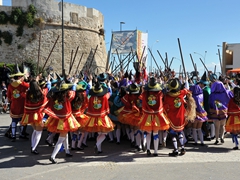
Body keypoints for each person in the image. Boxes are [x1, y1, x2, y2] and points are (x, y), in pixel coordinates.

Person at [44, 80, 80, 164]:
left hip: (57, 118)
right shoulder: (67, 97)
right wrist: (74, 83)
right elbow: (73, 92)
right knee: (61, 139)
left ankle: (67, 151)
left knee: (65, 135)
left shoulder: (54, 98)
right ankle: (53, 156)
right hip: (65, 119)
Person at [163, 77, 195, 156]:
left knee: (173, 134)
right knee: (180, 132)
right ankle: (183, 147)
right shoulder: (181, 93)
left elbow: (165, 106)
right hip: (180, 117)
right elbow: (187, 90)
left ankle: (176, 150)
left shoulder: (167, 96)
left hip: (172, 117)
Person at [138, 77, 170, 156]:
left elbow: (141, 100)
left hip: (147, 115)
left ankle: (148, 149)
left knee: (148, 133)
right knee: (156, 134)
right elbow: (165, 91)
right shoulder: (159, 93)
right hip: (157, 116)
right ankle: (155, 151)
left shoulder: (145, 94)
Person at [20, 75, 51, 154]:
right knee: (38, 132)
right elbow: (45, 100)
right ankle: (34, 148)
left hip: (30, 115)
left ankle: (32, 146)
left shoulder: (28, 94)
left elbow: (24, 97)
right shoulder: (40, 94)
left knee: (35, 131)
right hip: (38, 115)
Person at [84, 81, 115, 154]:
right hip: (102, 117)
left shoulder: (91, 98)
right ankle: (97, 145)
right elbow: (109, 94)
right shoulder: (104, 97)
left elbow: (90, 106)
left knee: (99, 133)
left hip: (94, 117)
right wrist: (109, 85)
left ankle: (99, 149)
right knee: (104, 133)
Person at [7, 64, 29, 142]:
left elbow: (9, 96)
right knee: (22, 120)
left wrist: (10, 101)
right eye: (22, 76)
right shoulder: (23, 84)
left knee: (14, 121)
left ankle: (13, 136)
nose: (23, 77)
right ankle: (21, 134)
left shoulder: (10, 85)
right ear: (19, 77)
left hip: (14, 105)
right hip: (22, 105)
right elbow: (30, 86)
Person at [209, 80, 233, 145]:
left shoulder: (212, 95)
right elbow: (231, 97)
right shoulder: (226, 93)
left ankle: (216, 139)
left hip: (215, 112)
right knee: (222, 125)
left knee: (216, 126)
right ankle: (221, 137)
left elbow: (210, 103)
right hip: (224, 111)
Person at [71, 81, 89, 150]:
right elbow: (85, 106)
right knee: (82, 131)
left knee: (75, 132)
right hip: (80, 116)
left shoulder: (73, 96)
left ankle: (73, 145)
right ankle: (78, 145)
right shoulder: (83, 97)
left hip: (73, 116)